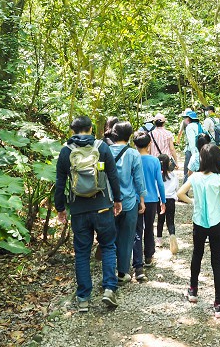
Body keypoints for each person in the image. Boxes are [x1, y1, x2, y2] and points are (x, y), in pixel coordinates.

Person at [54, 116, 123, 312]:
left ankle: (83, 298)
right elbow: (112, 176)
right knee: (108, 246)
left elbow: (60, 184)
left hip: (78, 210)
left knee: (82, 252)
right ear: (91, 128)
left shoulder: (66, 152)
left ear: (72, 131)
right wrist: (117, 200)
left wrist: (60, 209)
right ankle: (109, 289)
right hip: (102, 206)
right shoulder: (102, 147)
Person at [177, 143, 220, 318]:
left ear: (202, 159)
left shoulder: (195, 177)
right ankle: (218, 303)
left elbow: (180, 193)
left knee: (197, 255)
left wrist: (194, 203)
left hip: (199, 222)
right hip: (216, 224)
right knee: (217, 262)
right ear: (217, 160)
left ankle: (193, 290)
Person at [109, 121, 147, 284]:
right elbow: (139, 179)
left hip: (109, 202)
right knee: (127, 237)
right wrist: (142, 199)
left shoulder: (106, 151)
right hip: (130, 201)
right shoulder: (133, 154)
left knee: (110, 237)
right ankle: (122, 272)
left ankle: (109, 271)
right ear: (130, 136)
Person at [132, 130, 166, 272]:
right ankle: (149, 256)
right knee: (149, 227)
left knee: (137, 229)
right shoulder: (154, 161)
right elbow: (160, 182)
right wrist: (163, 200)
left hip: (135, 199)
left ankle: (137, 259)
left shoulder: (133, 159)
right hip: (152, 199)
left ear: (135, 144)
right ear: (149, 144)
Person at [156, 153, 179, 254]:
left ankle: (159, 240)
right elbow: (176, 187)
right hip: (171, 200)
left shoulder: (157, 176)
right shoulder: (173, 175)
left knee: (160, 220)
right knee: (170, 221)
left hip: (160, 199)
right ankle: (172, 235)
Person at [183, 110, 205, 176]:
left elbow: (192, 142)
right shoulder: (199, 125)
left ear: (189, 118)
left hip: (192, 152)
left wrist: (194, 156)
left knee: (188, 172)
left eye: (186, 117)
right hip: (201, 150)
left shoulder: (190, 127)